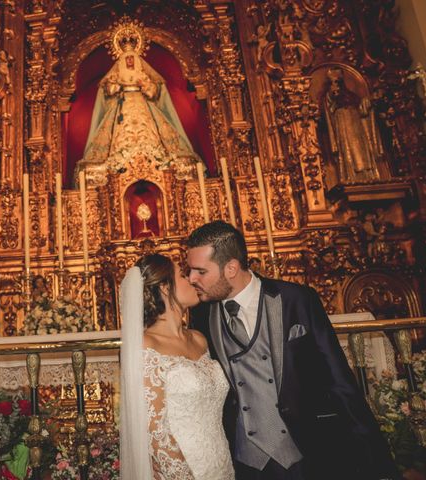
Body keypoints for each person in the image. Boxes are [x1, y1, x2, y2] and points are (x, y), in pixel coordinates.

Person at [185, 220, 399, 480]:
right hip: (243, 459)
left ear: (231, 268)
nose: (191, 279)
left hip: (304, 451)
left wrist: (378, 461)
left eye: (200, 271)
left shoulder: (297, 299)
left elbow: (339, 379)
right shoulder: (201, 313)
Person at [120, 253, 234, 479]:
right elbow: (155, 432)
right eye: (183, 275)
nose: (192, 279)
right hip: (184, 470)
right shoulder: (146, 345)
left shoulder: (199, 339)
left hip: (223, 465)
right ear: (164, 287)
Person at [77, 21, 201, 185]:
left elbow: (154, 92)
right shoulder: (116, 75)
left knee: (152, 133)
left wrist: (145, 85)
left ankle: (155, 158)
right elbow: (108, 91)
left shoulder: (144, 75)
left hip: (143, 108)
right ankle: (120, 159)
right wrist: (117, 85)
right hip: (122, 108)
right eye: (126, 59)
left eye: (132, 59)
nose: (129, 62)